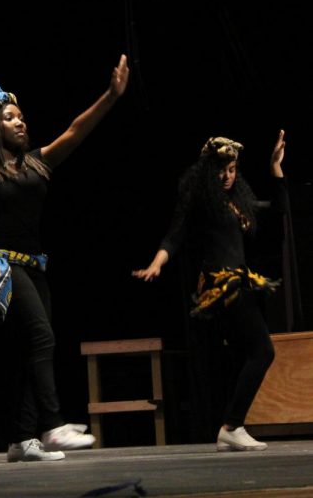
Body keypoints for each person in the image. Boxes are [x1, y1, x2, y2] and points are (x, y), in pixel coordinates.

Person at [0, 55, 129, 462]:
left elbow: (75, 130)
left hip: (34, 264)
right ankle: (52, 425)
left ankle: (22, 438)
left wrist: (110, 96)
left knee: (30, 350)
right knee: (42, 336)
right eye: (9, 118)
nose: (20, 122)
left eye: (21, 117)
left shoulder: (37, 163)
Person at [133, 132, 286, 451]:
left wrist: (275, 168)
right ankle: (232, 426)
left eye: (232, 170)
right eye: (221, 170)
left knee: (248, 354)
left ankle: (231, 426)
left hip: (238, 283)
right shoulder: (200, 201)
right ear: (208, 170)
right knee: (264, 351)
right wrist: (157, 263)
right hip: (222, 285)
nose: (227, 176)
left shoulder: (236, 202)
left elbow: (279, 211)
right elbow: (174, 235)